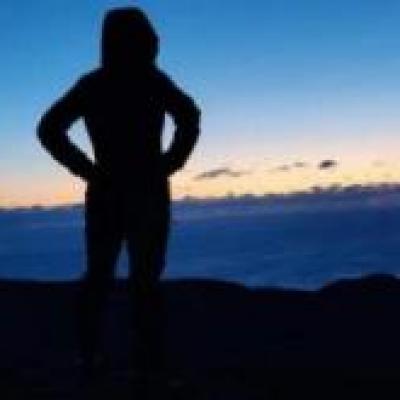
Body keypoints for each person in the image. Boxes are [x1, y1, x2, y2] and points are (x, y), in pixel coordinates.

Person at [37, 7, 200, 376]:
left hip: (110, 192)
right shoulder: (150, 80)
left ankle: (95, 358)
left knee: (105, 276)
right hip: (143, 191)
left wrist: (90, 172)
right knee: (139, 280)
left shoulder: (96, 84)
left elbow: (49, 129)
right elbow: (189, 116)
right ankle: (140, 364)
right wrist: (168, 163)